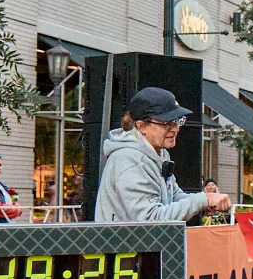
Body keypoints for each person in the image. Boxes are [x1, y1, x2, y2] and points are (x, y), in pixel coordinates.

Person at [94, 87, 231, 223]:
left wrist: (203, 203)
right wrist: (202, 200)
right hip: (125, 245)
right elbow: (150, 219)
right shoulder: (129, 161)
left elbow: (174, 196)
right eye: (166, 123)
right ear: (142, 126)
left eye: (178, 121)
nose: (176, 129)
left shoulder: (158, 152)